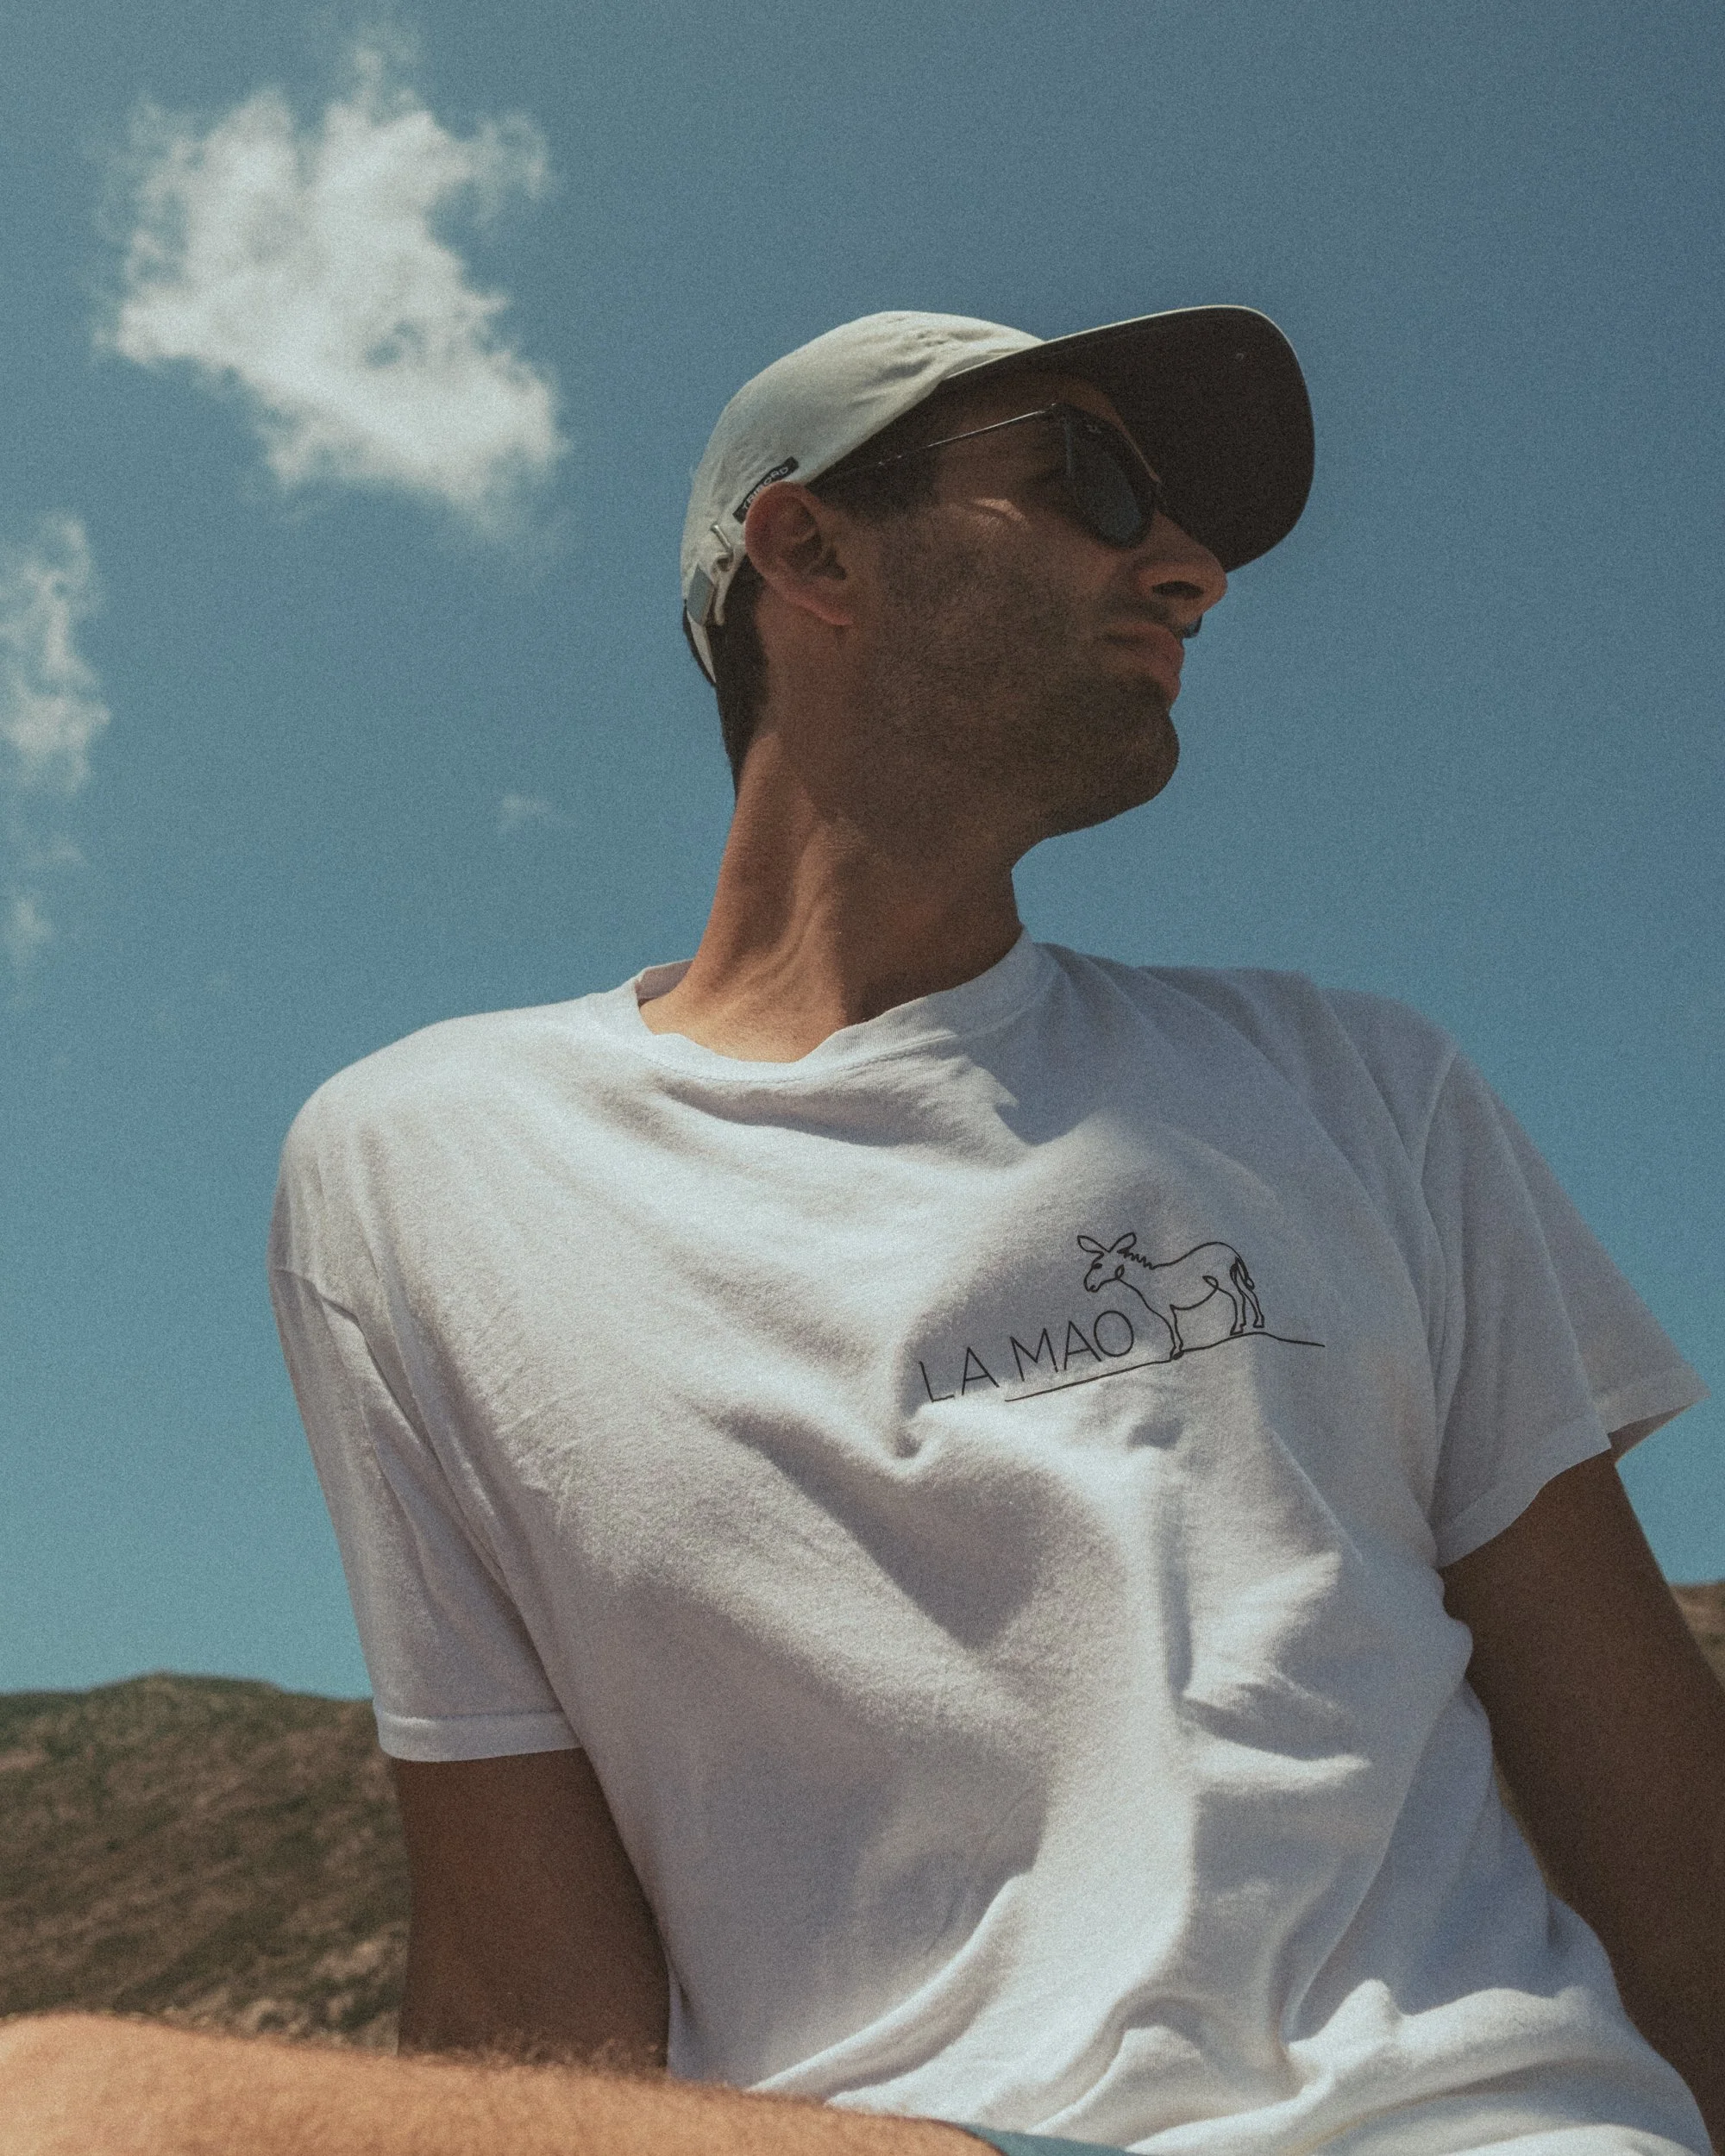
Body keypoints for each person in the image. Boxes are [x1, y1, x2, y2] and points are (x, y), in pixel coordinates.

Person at [5, 307, 1720, 2156]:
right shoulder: (421, 1166)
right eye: (1095, 482)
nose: (1192, 569)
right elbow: (528, 1993)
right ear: (807, 547)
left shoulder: (1358, 1088)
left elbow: (1666, 1841)